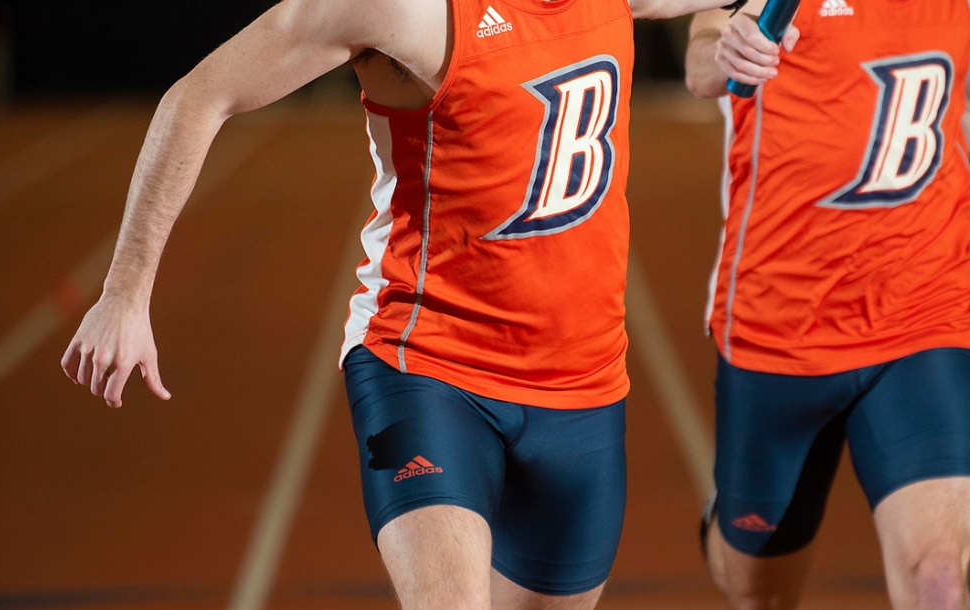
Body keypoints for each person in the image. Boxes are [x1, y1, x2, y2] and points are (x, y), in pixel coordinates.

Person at [59, 0, 745, 607]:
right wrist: (125, 291)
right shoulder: (407, 10)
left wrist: (736, 42)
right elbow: (198, 95)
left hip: (584, 385)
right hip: (429, 364)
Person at [684, 0, 970, 608]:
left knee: (937, 579)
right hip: (781, 328)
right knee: (759, 593)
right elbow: (702, 56)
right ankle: (725, 519)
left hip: (922, 312)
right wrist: (723, 52)